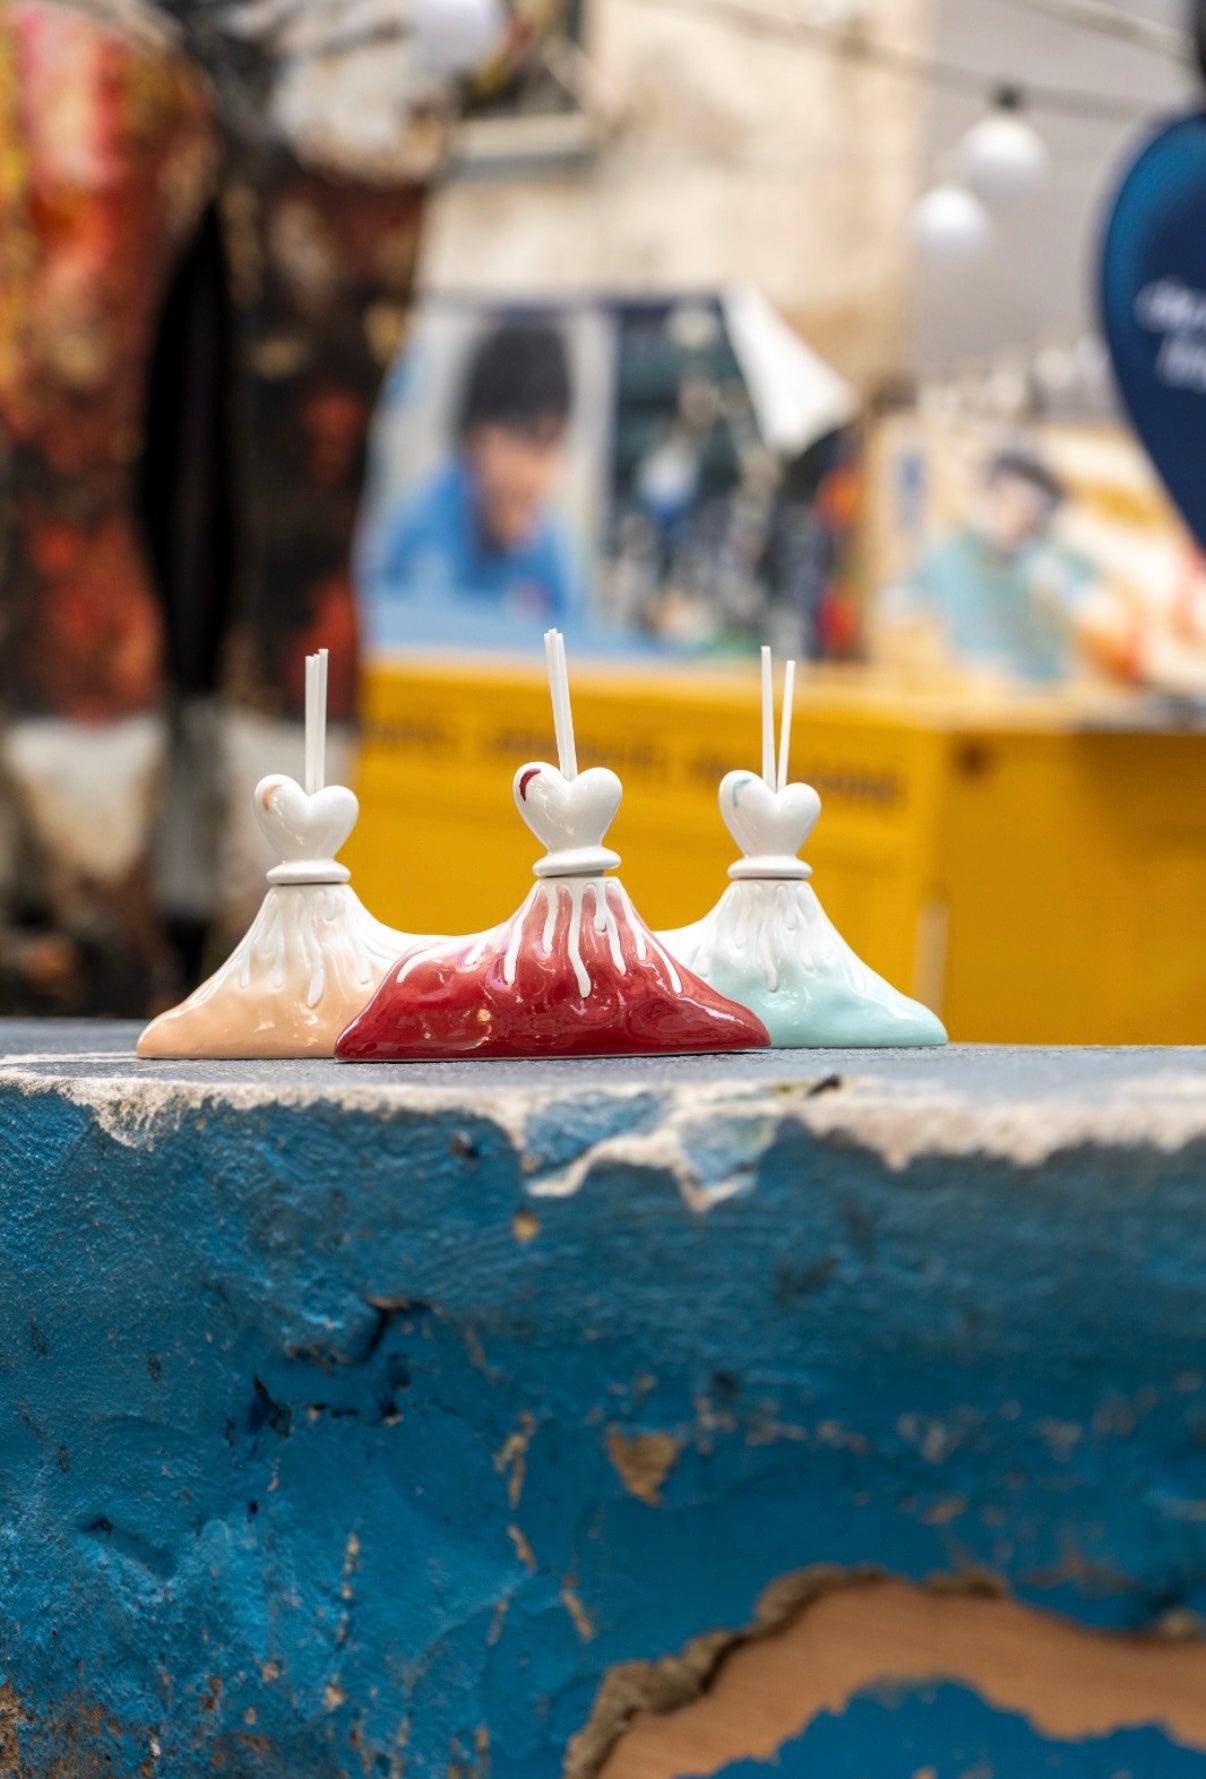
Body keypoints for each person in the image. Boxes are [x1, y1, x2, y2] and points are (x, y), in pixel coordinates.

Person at [368, 320, 578, 624]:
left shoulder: (554, 551)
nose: (536, 474)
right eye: (525, 441)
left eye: (550, 447)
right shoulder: (419, 530)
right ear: (476, 435)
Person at [890, 450, 1097, 683]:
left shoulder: (1058, 559)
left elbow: (1096, 614)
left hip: (1041, 700)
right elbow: (897, 606)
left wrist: (1058, 594)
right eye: (1003, 498)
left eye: (1027, 508)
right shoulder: (950, 554)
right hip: (971, 698)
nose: (1012, 515)